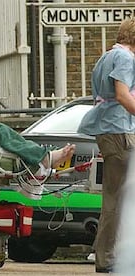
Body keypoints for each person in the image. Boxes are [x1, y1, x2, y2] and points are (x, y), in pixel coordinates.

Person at [78, 18, 135, 274]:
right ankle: (112, 258)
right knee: (120, 199)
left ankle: (107, 257)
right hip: (120, 130)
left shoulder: (107, 56)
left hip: (108, 130)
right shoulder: (125, 59)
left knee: (114, 197)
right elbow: (123, 95)